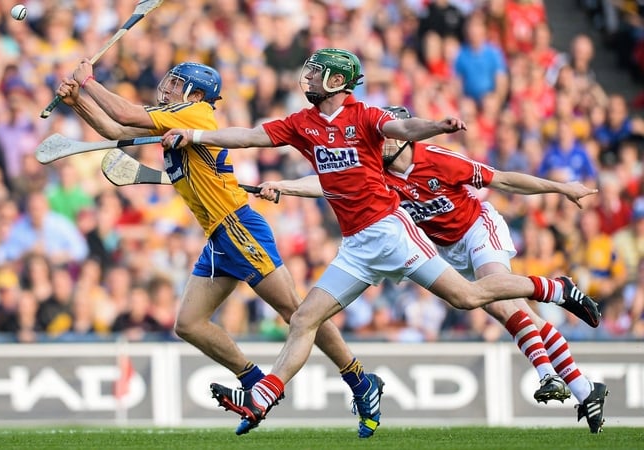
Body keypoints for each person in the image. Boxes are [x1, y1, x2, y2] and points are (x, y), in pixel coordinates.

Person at [161, 48, 602, 435]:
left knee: (468, 298)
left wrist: (438, 127)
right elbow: (252, 138)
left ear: (337, 82)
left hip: (392, 233)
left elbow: (406, 129)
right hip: (355, 246)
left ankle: (554, 288)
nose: (307, 78)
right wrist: (197, 136)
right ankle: (263, 397)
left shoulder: (366, 116)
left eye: (317, 73)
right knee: (303, 319)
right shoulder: (303, 124)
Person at [54, 59, 384, 438]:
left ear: (196, 95)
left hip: (239, 226)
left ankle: (360, 381)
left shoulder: (196, 113)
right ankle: (254, 380)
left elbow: (123, 113)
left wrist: (90, 81)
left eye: (177, 86)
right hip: (218, 235)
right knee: (190, 324)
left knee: (297, 313)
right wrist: (78, 100)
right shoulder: (173, 116)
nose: (168, 90)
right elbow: (114, 128)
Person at [253, 105, 609, 433]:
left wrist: (561, 188)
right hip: (447, 248)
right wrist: (284, 187)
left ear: (407, 136)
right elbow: (326, 184)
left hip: (477, 228)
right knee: (504, 309)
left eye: (388, 135)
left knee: (500, 298)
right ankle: (585, 388)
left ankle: (548, 371)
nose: (381, 141)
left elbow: (503, 179)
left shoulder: (438, 160)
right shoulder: (375, 167)